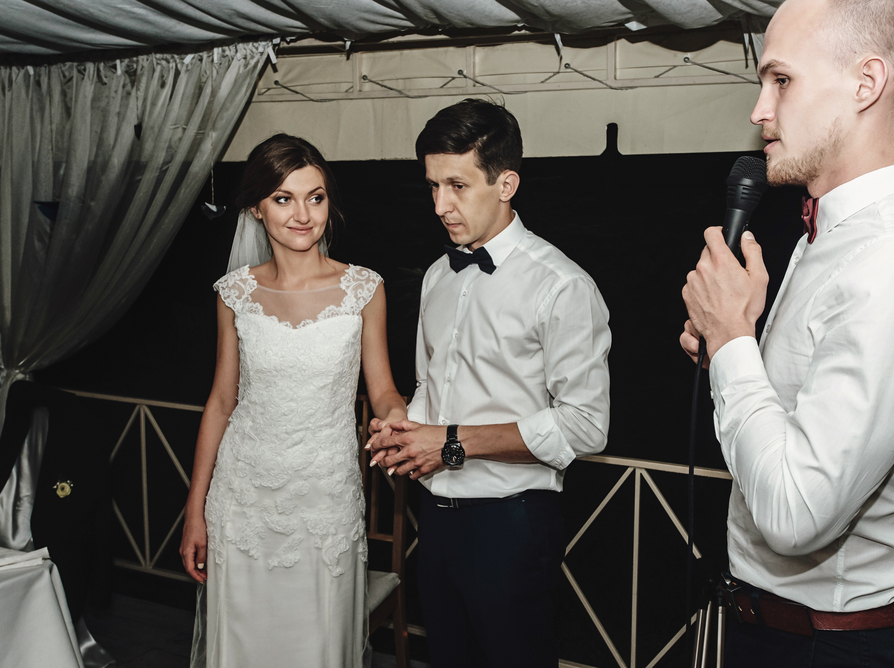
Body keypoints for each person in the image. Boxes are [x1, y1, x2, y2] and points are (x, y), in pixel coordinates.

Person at [680, 0, 894, 666]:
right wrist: (734, 354)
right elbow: (797, 426)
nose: (760, 110)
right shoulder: (834, 236)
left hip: (842, 647)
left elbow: (795, 515)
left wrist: (732, 342)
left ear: (866, 84)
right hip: (773, 628)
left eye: (781, 80)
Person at [367, 98, 612, 667]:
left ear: (506, 183)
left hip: (513, 523)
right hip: (436, 520)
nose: (440, 205)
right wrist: (406, 426)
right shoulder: (436, 276)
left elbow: (586, 426)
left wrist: (451, 441)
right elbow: (430, 387)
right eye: (432, 186)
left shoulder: (562, 286)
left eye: (456, 185)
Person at [179, 134, 407, 667]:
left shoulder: (364, 289)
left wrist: (394, 418)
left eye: (316, 196)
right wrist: (195, 512)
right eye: (284, 198)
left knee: (316, 647)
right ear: (257, 208)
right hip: (242, 501)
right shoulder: (234, 293)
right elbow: (220, 401)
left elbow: (384, 390)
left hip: (324, 502)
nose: (303, 214)